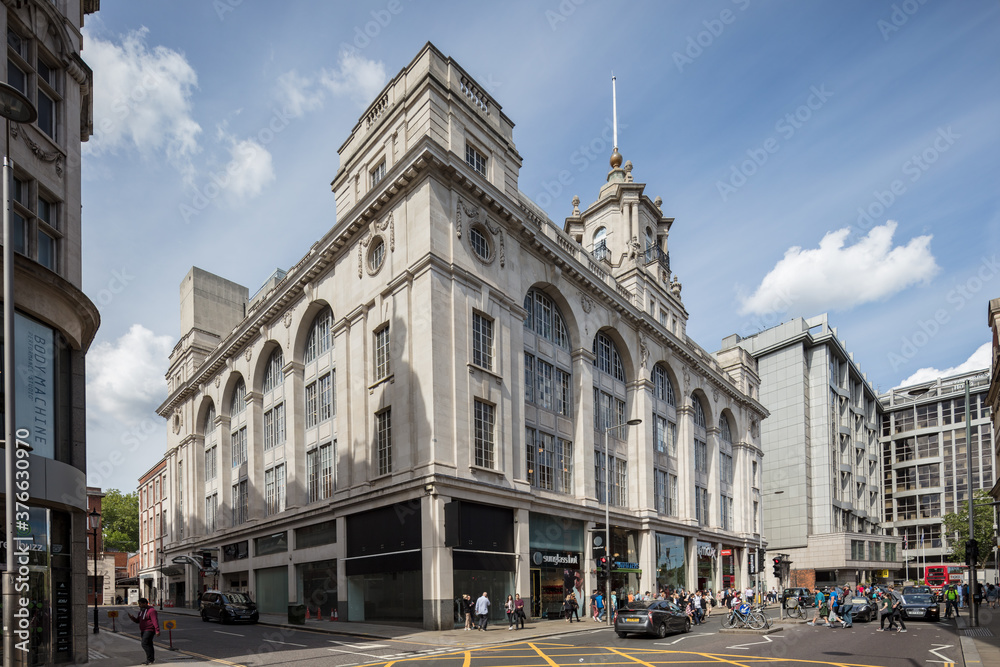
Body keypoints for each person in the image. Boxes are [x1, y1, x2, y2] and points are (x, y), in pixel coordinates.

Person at [128, 597, 160, 665]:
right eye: (139, 604)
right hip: (143, 630)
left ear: (145, 603)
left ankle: (149, 659)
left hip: (149, 630)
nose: (139, 605)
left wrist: (157, 630)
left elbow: (155, 621)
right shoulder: (141, 611)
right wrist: (132, 618)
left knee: (144, 643)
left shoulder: (152, 611)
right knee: (149, 644)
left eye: (140, 604)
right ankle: (151, 659)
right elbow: (138, 621)